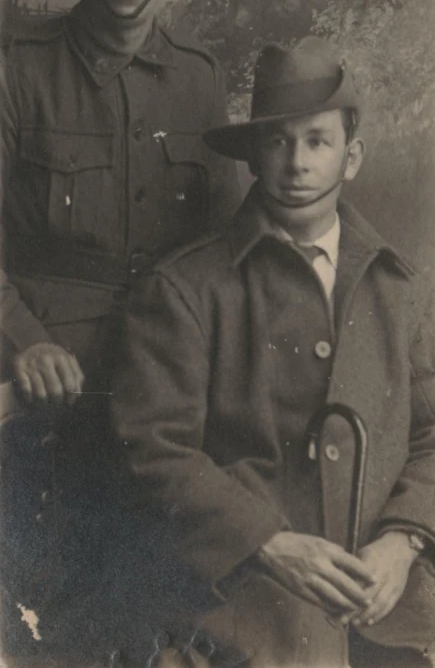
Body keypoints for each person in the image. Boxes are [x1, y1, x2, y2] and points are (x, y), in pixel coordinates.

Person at [112, 37, 435, 668]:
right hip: (241, 594)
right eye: (278, 142)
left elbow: (431, 433)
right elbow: (152, 452)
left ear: (352, 157)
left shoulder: (397, 287)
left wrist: (403, 541)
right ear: (255, 158)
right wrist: (269, 542)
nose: (297, 163)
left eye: (318, 141)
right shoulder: (186, 288)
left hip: (385, 591)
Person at [0, 0, 240, 667]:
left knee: (170, 603)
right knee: (55, 606)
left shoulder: (199, 81)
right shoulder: (20, 70)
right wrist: (22, 339)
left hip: (168, 381)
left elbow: (224, 249)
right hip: (48, 382)